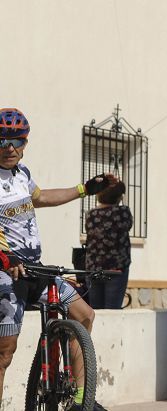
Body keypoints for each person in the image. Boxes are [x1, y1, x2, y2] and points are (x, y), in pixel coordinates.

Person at [0, 108, 118, 410]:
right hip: (5, 271)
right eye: (2, 141)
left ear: (25, 143)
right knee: (5, 352)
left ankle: (81, 400)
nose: (10, 148)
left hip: (34, 268)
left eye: (18, 141)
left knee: (84, 315)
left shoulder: (22, 174)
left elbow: (41, 197)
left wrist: (84, 189)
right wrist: (7, 255)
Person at [84, 181, 132, 309]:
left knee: (95, 310)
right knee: (112, 311)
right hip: (116, 269)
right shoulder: (123, 212)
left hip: (93, 269)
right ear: (118, 197)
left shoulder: (90, 214)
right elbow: (128, 226)